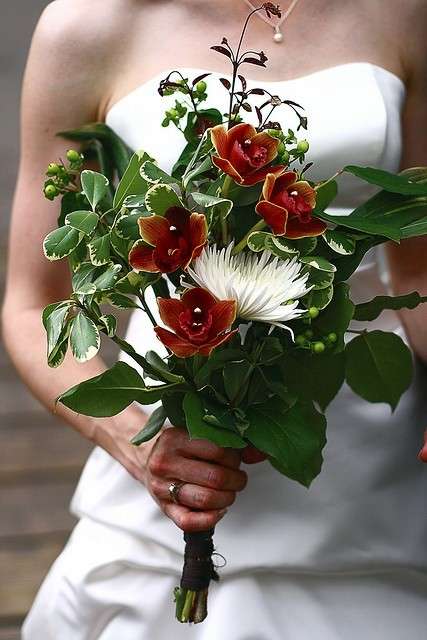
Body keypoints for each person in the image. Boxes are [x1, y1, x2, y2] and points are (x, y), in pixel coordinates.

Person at [3, 1, 427, 638]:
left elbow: (417, 268)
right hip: (184, 440)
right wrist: (134, 441)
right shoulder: (87, 25)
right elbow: (32, 303)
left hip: (373, 467)